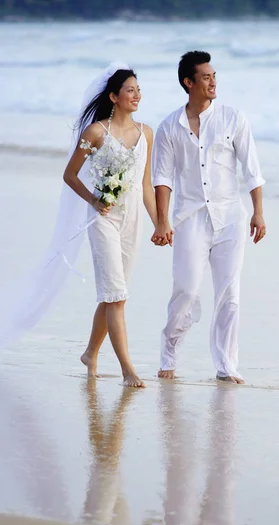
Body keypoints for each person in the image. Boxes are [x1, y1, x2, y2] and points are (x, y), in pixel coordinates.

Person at [152, 50, 266, 384]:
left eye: (214, 75)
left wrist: (258, 212)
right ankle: (168, 353)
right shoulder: (169, 127)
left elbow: (251, 169)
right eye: (206, 77)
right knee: (186, 289)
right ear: (189, 83)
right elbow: (162, 177)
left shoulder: (233, 118)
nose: (213, 81)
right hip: (189, 218)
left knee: (229, 294)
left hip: (230, 217)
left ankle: (226, 364)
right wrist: (162, 221)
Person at [64, 67, 157, 387]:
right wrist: (93, 200)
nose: (137, 95)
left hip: (133, 221)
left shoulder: (147, 133)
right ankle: (128, 370)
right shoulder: (95, 133)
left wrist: (161, 223)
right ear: (114, 97)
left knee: (114, 296)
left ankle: (90, 353)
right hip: (104, 219)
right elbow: (70, 175)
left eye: (138, 89)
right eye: (130, 90)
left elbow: (146, 185)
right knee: (115, 295)